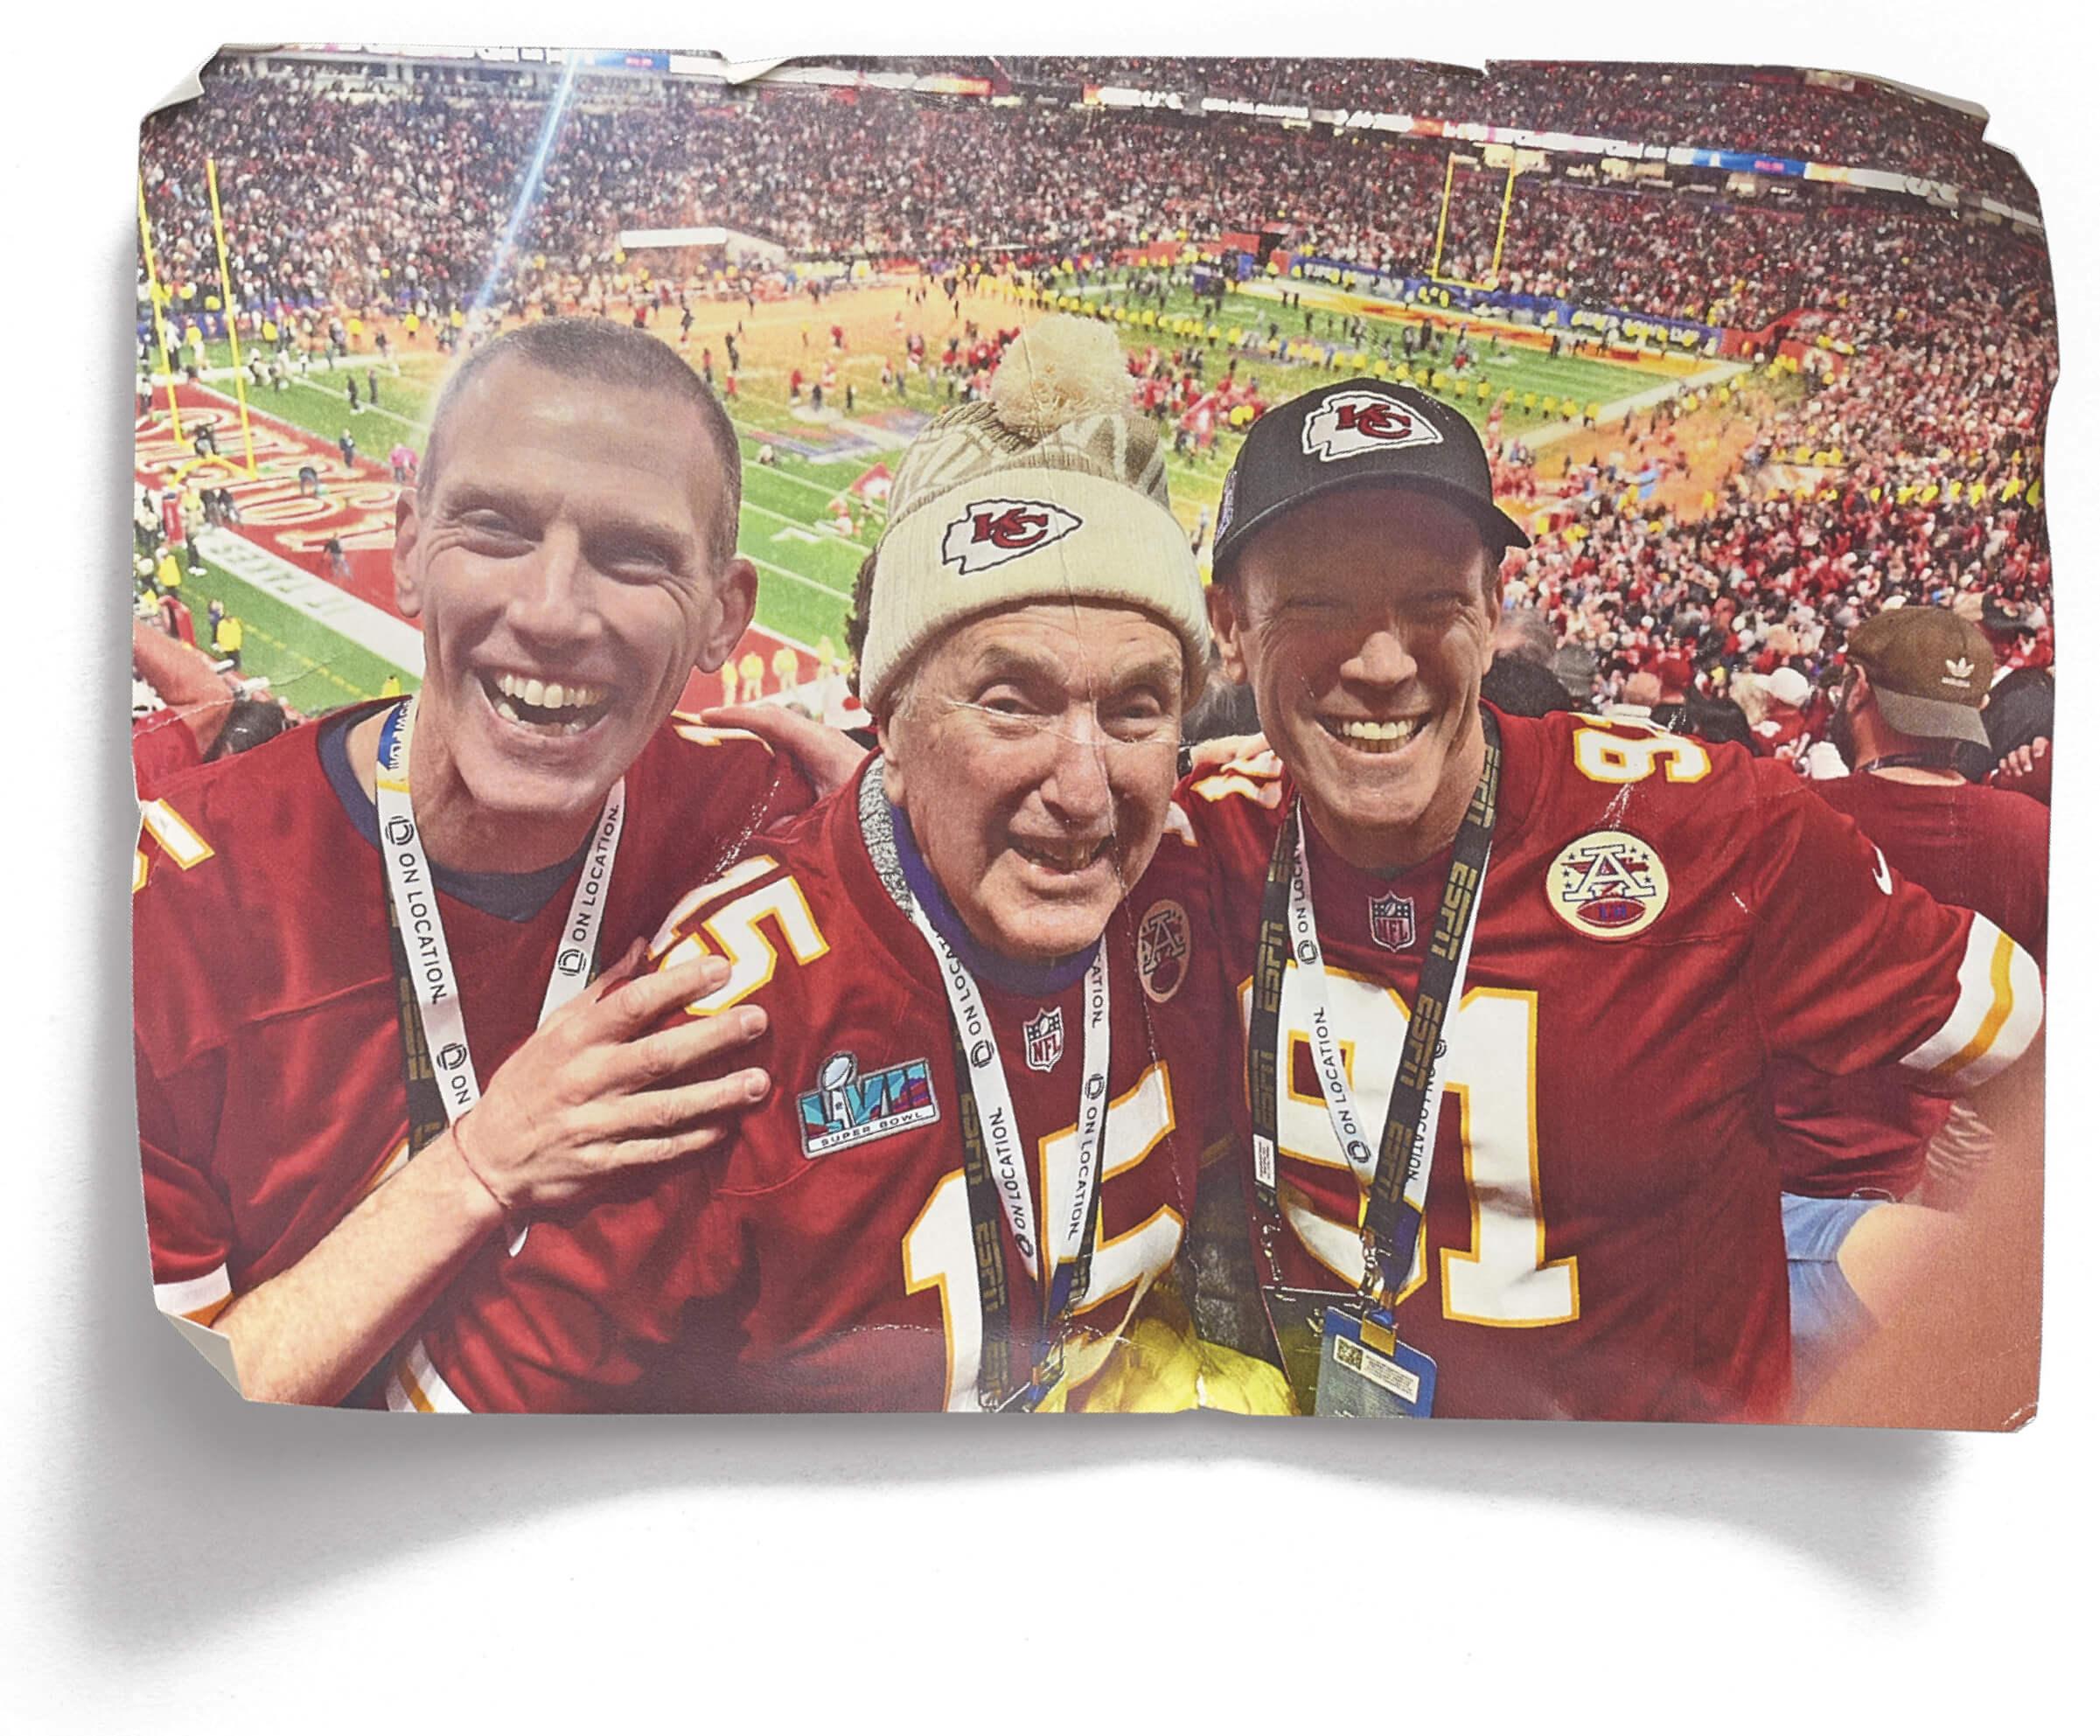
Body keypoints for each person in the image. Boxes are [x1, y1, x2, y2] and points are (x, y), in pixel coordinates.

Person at [391, 317, 1265, 1414]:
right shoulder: (720, 1014)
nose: (1085, 785)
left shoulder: (1207, 863)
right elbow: (451, 1429)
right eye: (1012, 702)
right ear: (887, 718)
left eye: (1136, 707)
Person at [1169, 378, 2041, 1421]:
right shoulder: (1200, 840)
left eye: (1432, 602)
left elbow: (2034, 1056)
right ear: (1230, 624)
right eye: (1317, 603)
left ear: (1493, 609)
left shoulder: (1711, 830)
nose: (1380, 658)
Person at [132, 319, 816, 1407]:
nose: (549, 610)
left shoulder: (768, 811)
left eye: (634, 555)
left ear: (725, 615)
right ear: (405, 552)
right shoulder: (167, 914)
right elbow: (159, 1424)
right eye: (494, 528)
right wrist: (483, 1160)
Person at [1766, 606, 2050, 1397]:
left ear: (1859, 689)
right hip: (1923, 1195)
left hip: (1781, 1186)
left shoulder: (1794, 821)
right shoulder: (2033, 836)